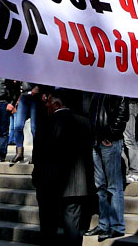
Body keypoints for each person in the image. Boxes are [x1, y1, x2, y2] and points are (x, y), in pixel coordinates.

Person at [32, 87, 94, 245]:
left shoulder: (46, 123)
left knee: (48, 227)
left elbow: (39, 156)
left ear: (57, 104)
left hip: (50, 184)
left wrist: (37, 179)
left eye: (49, 102)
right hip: (77, 185)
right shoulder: (85, 122)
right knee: (73, 228)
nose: (46, 105)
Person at [84, 93, 128, 242]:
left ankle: (117, 226)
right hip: (97, 141)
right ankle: (104, 224)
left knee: (113, 186)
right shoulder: (96, 90)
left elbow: (122, 113)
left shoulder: (116, 87)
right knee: (100, 186)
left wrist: (110, 134)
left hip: (109, 141)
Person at [12, 82, 41, 164]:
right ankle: (19, 153)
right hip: (23, 96)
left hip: (35, 96)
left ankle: (36, 154)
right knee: (18, 126)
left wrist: (38, 87)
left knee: (34, 128)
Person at [123, 97, 138, 183]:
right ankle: (126, 171)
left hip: (130, 103)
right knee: (122, 140)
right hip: (122, 103)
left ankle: (135, 172)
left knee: (129, 139)